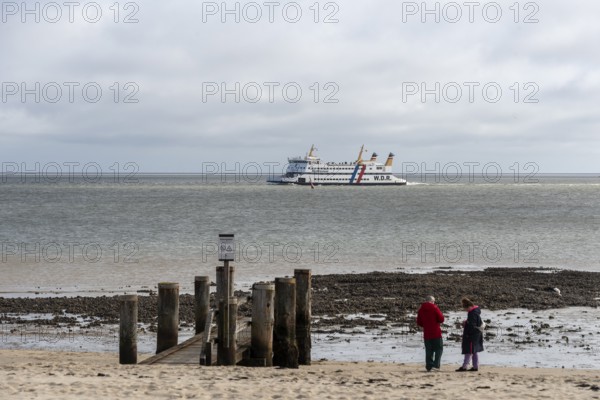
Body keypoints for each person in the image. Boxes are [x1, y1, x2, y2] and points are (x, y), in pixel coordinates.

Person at [416, 295, 445, 372]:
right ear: (432, 301)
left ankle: (429, 366)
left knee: (429, 350)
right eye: (434, 301)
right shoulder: (434, 308)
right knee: (439, 349)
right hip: (436, 332)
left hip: (427, 333)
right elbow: (441, 319)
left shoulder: (421, 309)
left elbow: (419, 322)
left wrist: (425, 325)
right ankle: (436, 365)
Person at [456, 297, 484, 372]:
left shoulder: (472, 313)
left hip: (472, 335)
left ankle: (465, 366)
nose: (465, 310)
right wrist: (466, 322)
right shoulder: (475, 311)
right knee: (474, 351)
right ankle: (475, 366)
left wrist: (466, 325)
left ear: (468, 307)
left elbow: (472, 325)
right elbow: (473, 323)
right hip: (476, 334)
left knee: (468, 351)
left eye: (465, 309)